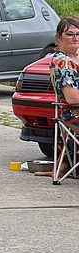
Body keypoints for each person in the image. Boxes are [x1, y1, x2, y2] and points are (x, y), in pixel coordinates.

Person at [40, 18, 79, 177]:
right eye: (69, 34)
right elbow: (72, 99)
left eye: (78, 34)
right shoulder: (63, 62)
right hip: (73, 114)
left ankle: (64, 165)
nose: (75, 38)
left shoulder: (76, 57)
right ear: (58, 38)